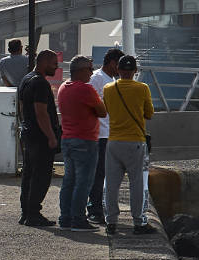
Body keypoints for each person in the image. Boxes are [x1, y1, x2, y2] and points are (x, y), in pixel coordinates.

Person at [101, 53, 156, 235]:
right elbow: (149, 113)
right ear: (135, 71)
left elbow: (107, 109)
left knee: (111, 184)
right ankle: (139, 223)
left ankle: (111, 222)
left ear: (118, 70)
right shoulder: (142, 88)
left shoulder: (108, 88)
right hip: (135, 142)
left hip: (113, 142)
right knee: (137, 184)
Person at [55, 55, 106, 231]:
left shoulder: (63, 87)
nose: (92, 73)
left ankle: (65, 218)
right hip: (85, 140)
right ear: (81, 70)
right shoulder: (86, 89)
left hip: (68, 139)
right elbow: (102, 111)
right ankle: (78, 219)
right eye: (90, 69)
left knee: (69, 181)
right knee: (84, 182)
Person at [17, 49, 60, 227]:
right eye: (53, 63)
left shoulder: (26, 79)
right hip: (40, 136)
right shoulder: (41, 83)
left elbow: (21, 107)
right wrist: (51, 136)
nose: (56, 67)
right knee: (41, 176)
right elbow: (41, 112)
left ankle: (26, 212)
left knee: (28, 174)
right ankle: (34, 213)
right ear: (43, 62)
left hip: (28, 133)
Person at [86, 47, 123, 226]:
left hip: (108, 132)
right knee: (98, 173)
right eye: (119, 65)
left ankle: (99, 205)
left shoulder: (110, 79)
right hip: (100, 133)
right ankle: (94, 208)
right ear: (112, 63)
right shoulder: (98, 78)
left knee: (105, 173)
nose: (121, 69)